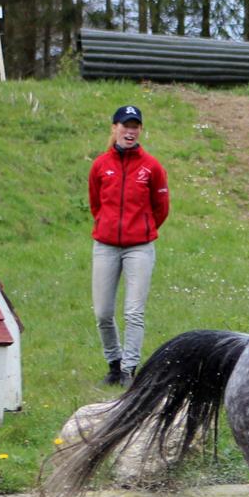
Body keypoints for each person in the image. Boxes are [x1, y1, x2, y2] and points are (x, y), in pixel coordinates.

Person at [87, 105, 170, 387]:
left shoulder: (152, 167)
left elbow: (161, 208)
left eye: (135, 126)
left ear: (140, 131)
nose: (130, 131)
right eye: (125, 126)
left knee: (134, 312)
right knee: (103, 313)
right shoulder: (100, 165)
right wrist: (109, 227)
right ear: (114, 128)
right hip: (105, 247)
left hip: (140, 248)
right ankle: (113, 363)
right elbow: (96, 204)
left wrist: (142, 229)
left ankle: (128, 370)